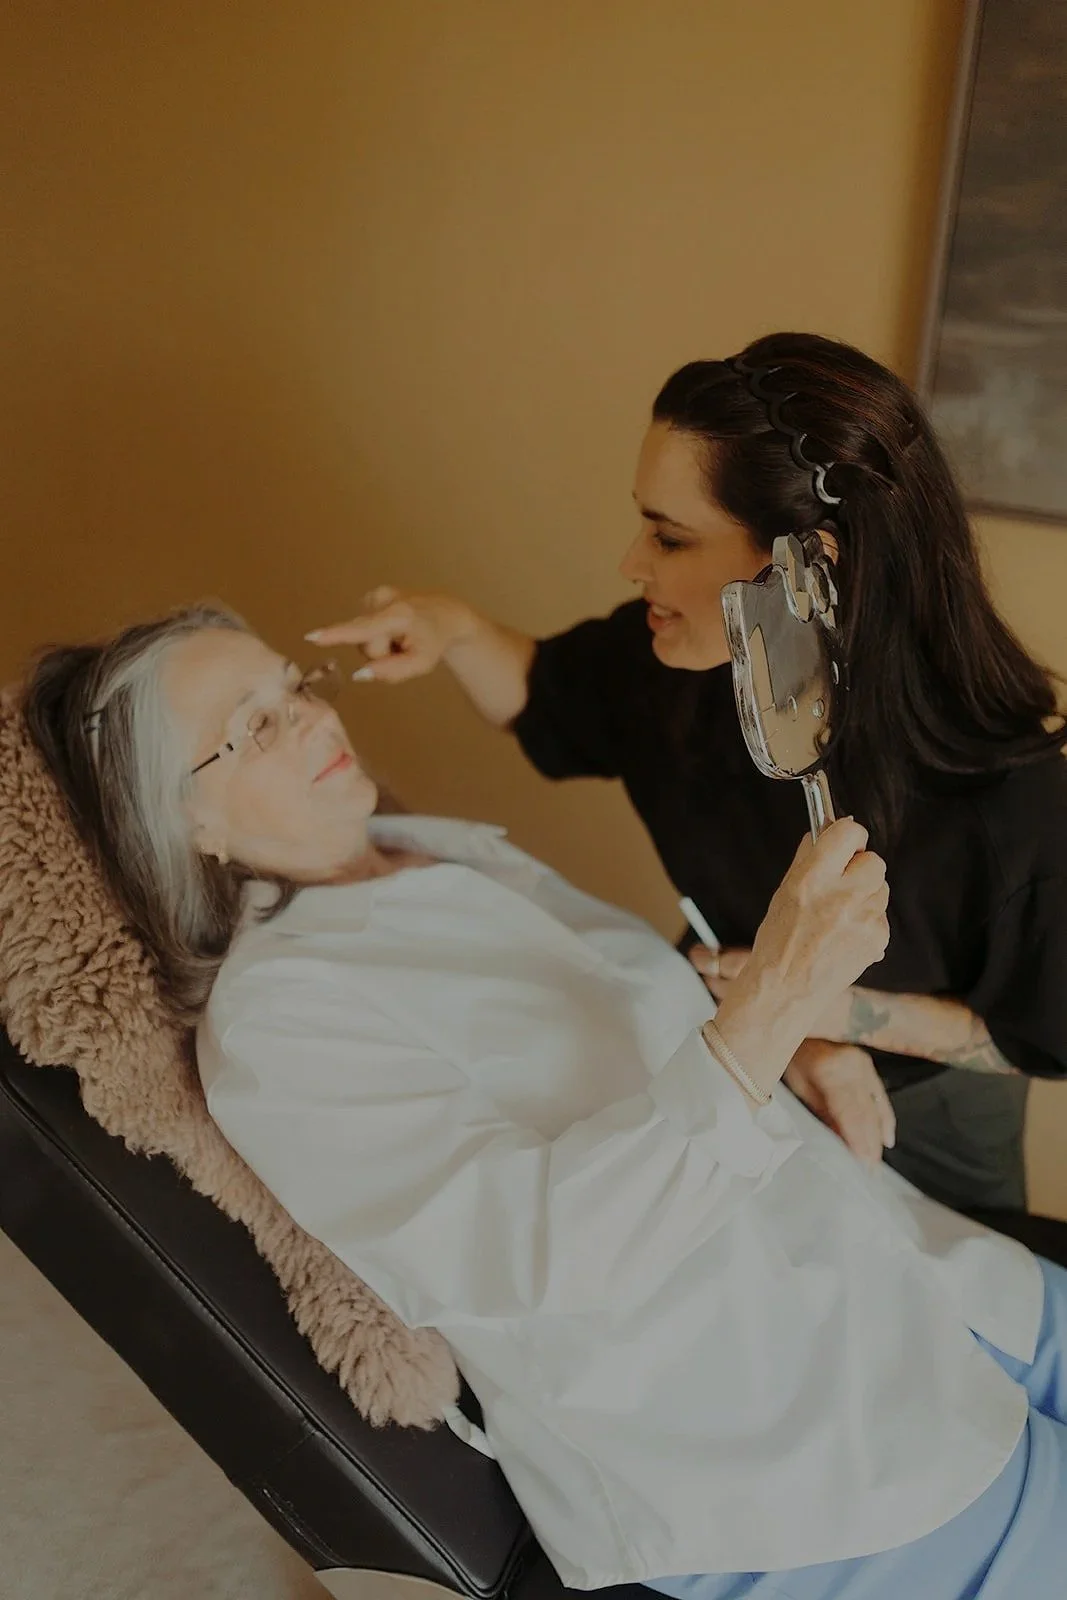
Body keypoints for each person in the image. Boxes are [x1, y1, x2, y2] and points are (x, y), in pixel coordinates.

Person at [22, 605, 1067, 1598]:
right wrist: (776, 995)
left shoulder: (438, 851)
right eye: (249, 728)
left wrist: (801, 1036)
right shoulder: (278, 1025)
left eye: (290, 685)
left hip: (941, 1281)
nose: (307, 716)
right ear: (183, 824)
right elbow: (541, 1252)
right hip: (811, 1452)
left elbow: (634, 1033)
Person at [307, 331, 1067, 1213]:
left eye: (668, 538)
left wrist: (824, 1015)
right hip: (729, 1049)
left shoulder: (1014, 800)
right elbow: (547, 697)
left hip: (919, 1118)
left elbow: (1039, 1036)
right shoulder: (685, 668)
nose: (633, 564)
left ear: (809, 563)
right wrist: (455, 630)